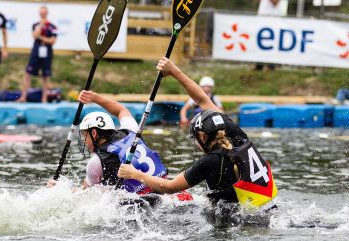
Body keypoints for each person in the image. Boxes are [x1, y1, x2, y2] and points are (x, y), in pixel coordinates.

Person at [118, 57, 278, 210]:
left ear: (203, 137)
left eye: (196, 139)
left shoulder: (211, 161)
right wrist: (173, 71)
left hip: (243, 222)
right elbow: (202, 99)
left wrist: (135, 173)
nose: (195, 143)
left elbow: (169, 187)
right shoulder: (236, 134)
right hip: (269, 209)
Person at [47, 90, 168, 195]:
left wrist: (61, 190)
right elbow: (121, 110)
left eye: (85, 135)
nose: (84, 140)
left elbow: (83, 195)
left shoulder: (96, 162)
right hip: (165, 188)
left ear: (94, 133)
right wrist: (94, 97)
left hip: (143, 204)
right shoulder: (131, 131)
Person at [17, 6, 57, 103]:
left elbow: (53, 40)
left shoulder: (52, 26)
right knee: (28, 73)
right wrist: (40, 26)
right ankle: (23, 97)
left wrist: (42, 38)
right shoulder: (35, 25)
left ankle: (44, 98)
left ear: (47, 13)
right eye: (41, 12)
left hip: (47, 52)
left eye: (44, 12)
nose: (42, 14)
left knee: (45, 76)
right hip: (36, 51)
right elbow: (35, 36)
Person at [255, 0, 288, 71]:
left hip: (273, 20)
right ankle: (259, 66)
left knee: (271, 44)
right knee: (261, 44)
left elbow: (275, 2)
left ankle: (271, 67)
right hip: (264, 20)